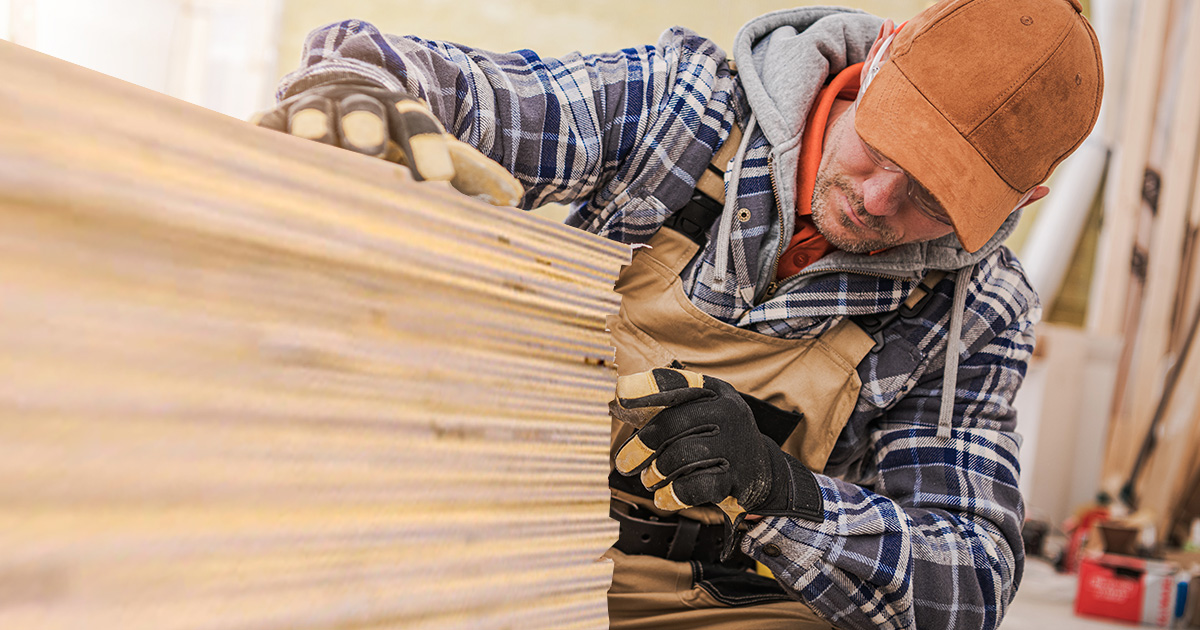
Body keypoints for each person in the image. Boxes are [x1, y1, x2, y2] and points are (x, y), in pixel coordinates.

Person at [258, 0, 1102, 628]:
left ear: (1024, 200)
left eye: (932, 195)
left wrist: (781, 491)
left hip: (725, 605)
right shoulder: (680, 111)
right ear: (878, 60)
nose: (878, 199)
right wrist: (354, 87)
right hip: (507, 543)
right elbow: (441, 84)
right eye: (886, 145)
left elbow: (972, 580)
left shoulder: (976, 308)